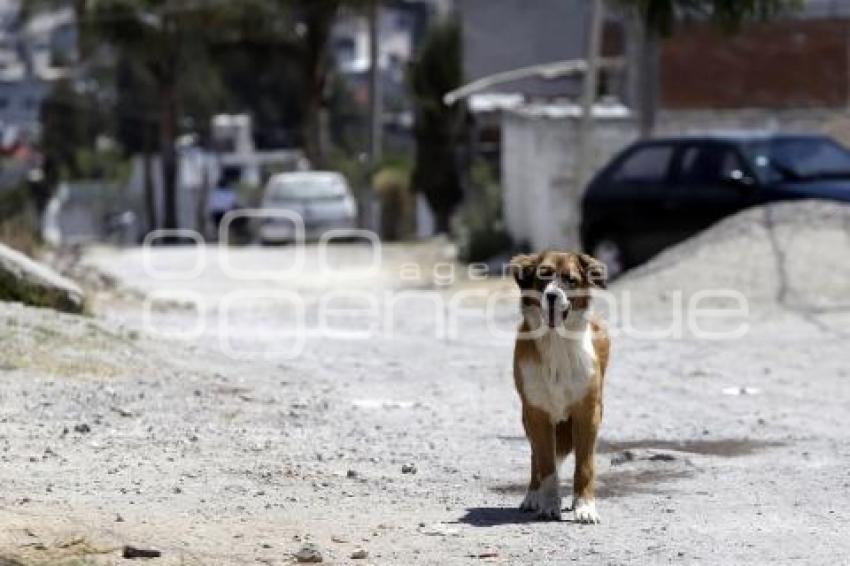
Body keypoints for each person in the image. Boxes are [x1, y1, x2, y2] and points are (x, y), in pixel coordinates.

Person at [208, 168, 240, 237]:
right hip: (225, 212)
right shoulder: (229, 192)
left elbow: (211, 203)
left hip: (216, 213)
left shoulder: (215, 192)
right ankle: (225, 237)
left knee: (219, 227)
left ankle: (220, 238)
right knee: (226, 226)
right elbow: (233, 203)